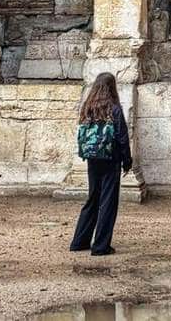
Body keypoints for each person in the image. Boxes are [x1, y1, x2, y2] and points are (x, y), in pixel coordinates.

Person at [70, 71, 131, 256]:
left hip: (92, 159)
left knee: (92, 199)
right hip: (111, 159)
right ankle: (100, 246)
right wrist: (127, 161)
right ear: (112, 87)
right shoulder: (114, 109)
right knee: (108, 203)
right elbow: (122, 137)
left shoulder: (88, 107)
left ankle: (79, 241)